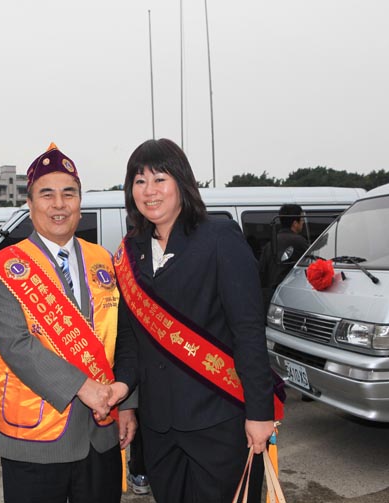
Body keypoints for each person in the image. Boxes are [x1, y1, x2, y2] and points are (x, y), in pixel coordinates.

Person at [109, 138, 275, 503]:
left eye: (160, 179)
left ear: (182, 183)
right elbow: (130, 338)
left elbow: (248, 330)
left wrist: (260, 413)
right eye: (139, 181)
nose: (149, 191)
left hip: (218, 418)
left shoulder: (218, 237)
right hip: (158, 426)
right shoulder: (129, 251)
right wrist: (127, 404)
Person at [0, 143, 125, 503]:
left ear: (80, 203)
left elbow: (123, 337)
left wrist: (128, 405)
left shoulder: (104, 260)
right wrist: (84, 387)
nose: (59, 204)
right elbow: (17, 346)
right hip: (35, 439)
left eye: (69, 194)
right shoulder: (7, 268)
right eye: (47, 194)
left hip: (101, 434)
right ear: (29, 204)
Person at [259, 203, 309, 309]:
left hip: (271, 298)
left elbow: (262, 272)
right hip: (291, 298)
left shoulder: (270, 244)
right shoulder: (299, 241)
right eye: (302, 219)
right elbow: (312, 266)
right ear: (295, 223)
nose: (303, 222)